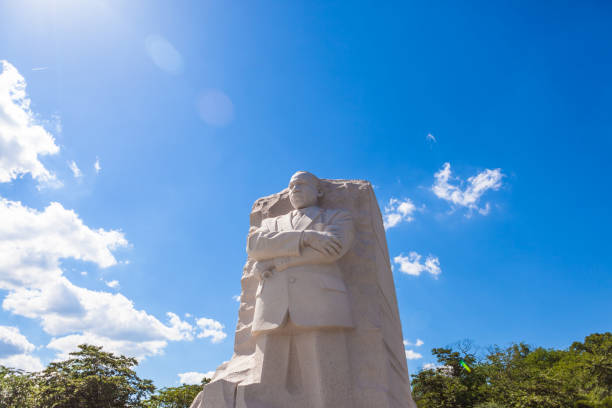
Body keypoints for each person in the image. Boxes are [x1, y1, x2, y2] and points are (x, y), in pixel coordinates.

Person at [239, 170, 355, 408]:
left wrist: (279, 261)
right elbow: (255, 247)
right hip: (272, 307)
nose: (295, 190)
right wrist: (307, 237)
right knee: (264, 384)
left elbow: (332, 250)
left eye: (301, 184)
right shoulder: (270, 223)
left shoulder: (337, 217)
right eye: (291, 186)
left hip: (321, 304)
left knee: (327, 383)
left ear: (319, 191)